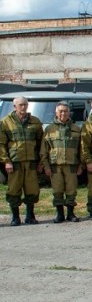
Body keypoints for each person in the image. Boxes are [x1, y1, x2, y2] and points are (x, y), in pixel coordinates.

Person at [0, 96, 43, 225]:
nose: (23, 107)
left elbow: (41, 143)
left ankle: (30, 216)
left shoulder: (35, 122)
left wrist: (41, 161)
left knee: (32, 190)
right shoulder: (5, 122)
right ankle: (15, 217)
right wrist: (6, 161)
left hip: (31, 162)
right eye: (20, 105)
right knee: (13, 190)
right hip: (14, 162)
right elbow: (1, 144)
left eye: (25, 104)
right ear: (14, 107)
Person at [40, 101, 83, 223]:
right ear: (56, 113)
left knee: (71, 190)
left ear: (69, 113)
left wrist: (81, 165)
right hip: (55, 166)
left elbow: (82, 149)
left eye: (66, 111)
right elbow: (44, 150)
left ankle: (70, 213)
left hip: (71, 165)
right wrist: (46, 166)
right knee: (57, 190)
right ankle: (59, 214)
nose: (63, 113)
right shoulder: (49, 129)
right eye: (61, 111)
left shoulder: (76, 129)